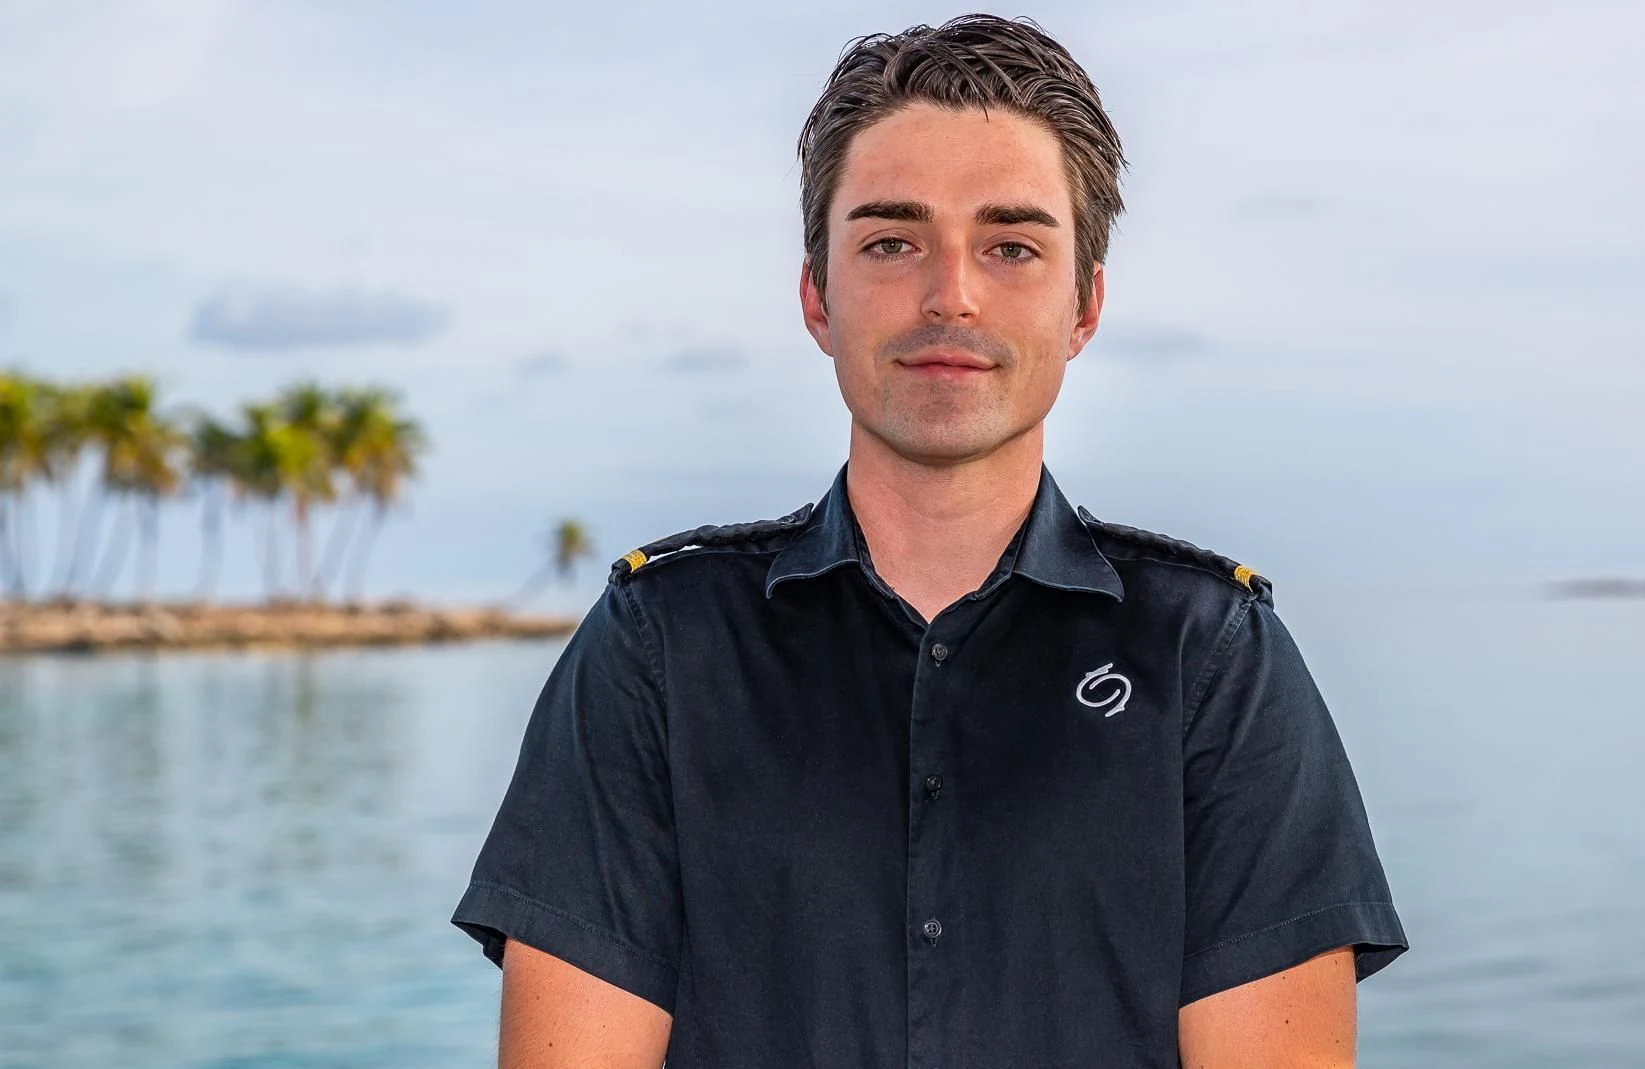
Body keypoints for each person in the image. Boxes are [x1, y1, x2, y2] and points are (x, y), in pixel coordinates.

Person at [452, 14, 1407, 1067]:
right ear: (818, 295)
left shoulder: (1214, 658)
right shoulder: (657, 648)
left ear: (1084, 304)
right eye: (891, 241)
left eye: (1011, 245)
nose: (950, 293)